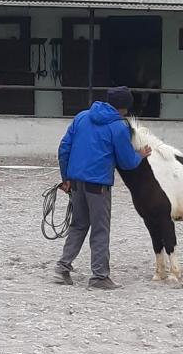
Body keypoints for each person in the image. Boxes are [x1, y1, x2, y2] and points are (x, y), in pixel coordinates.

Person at [55, 86, 152, 290]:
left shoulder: (82, 117)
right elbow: (126, 162)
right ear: (125, 107)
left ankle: (62, 268)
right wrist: (140, 155)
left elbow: (64, 148)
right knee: (100, 229)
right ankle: (99, 276)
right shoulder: (118, 127)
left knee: (78, 224)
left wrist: (66, 178)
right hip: (97, 184)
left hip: (76, 181)